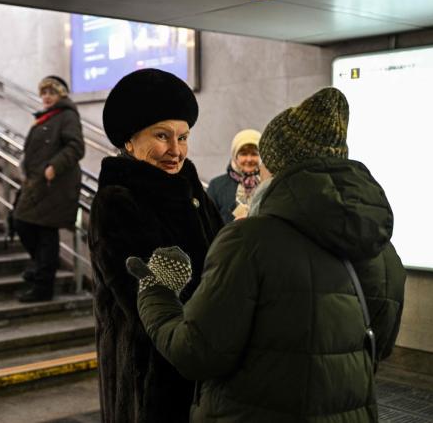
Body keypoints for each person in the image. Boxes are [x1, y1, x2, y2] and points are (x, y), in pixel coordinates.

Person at [127, 87, 407, 422]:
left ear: (275, 165)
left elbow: (197, 353)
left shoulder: (249, 241)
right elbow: (376, 348)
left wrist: (156, 291)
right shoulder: (382, 250)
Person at [88, 68, 224, 423]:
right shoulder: (117, 200)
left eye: (183, 137)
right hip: (148, 370)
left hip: (201, 358)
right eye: (162, 136)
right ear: (129, 141)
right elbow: (143, 302)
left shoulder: (191, 188)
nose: (175, 151)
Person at [12, 75, 85, 302]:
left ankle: (43, 286)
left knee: (45, 234)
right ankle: (40, 269)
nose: (46, 97)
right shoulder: (45, 118)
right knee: (21, 222)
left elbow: (76, 147)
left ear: (60, 95)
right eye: (43, 93)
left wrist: (54, 165)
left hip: (55, 185)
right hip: (37, 184)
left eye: (51, 93)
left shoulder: (67, 116)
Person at [207, 129, 261, 223]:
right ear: (235, 156)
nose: (249, 159)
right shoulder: (216, 186)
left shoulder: (269, 185)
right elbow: (208, 223)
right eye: (243, 154)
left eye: (254, 154)